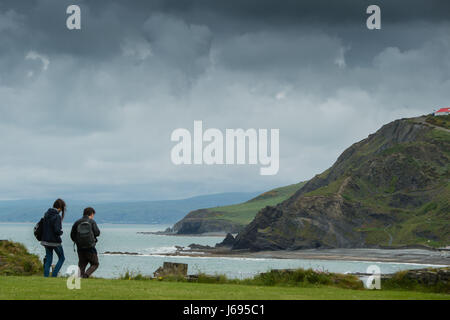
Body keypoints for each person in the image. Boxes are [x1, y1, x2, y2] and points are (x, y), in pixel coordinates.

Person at [71, 207, 100, 278]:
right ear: (92, 214)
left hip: (80, 247)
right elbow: (97, 233)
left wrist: (78, 241)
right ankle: (86, 275)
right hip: (90, 246)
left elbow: (72, 235)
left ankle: (79, 278)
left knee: (82, 264)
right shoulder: (92, 222)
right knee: (95, 263)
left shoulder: (77, 222)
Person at [41, 198, 66, 277]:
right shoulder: (57, 216)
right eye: (62, 209)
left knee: (48, 259)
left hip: (45, 241)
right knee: (62, 258)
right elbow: (57, 230)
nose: (61, 211)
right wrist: (61, 232)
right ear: (60, 208)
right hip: (55, 242)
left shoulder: (46, 214)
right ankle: (54, 275)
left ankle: (46, 276)